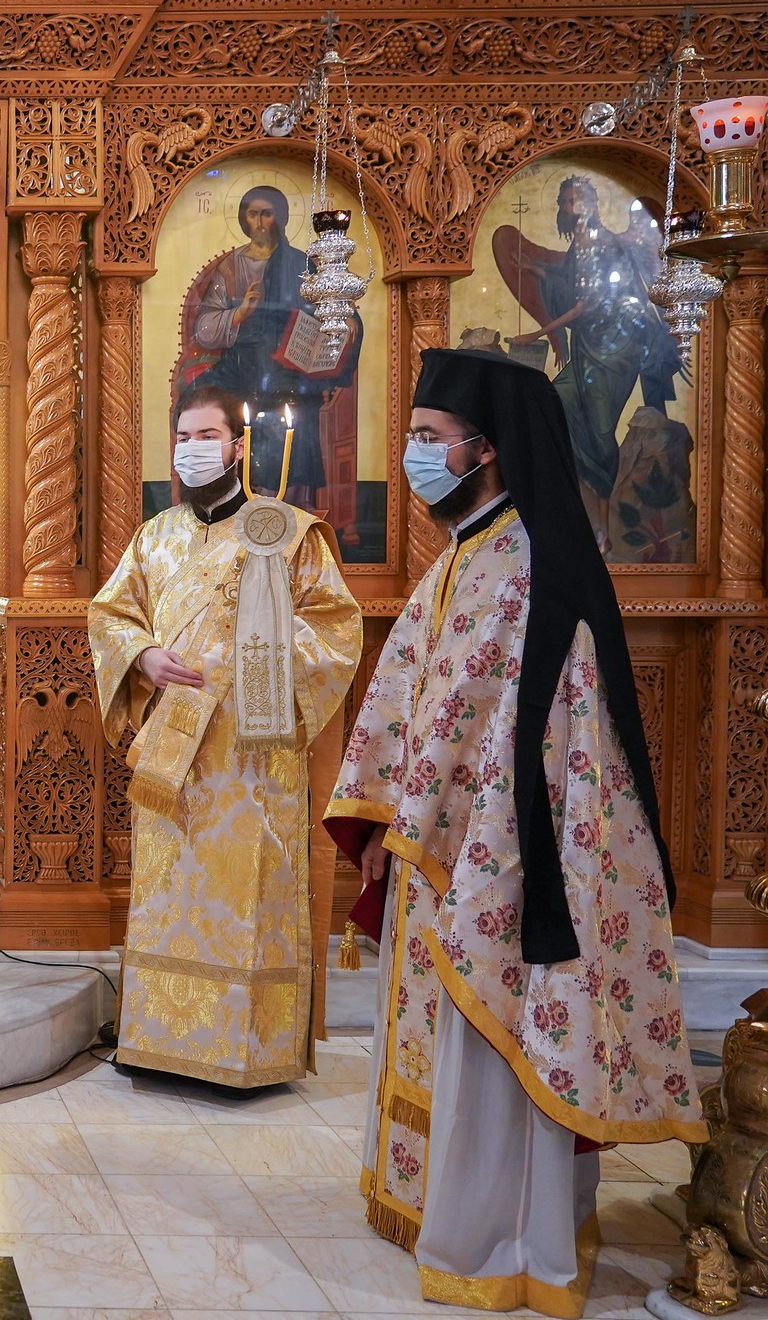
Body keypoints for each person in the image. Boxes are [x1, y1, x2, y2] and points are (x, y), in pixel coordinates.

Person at [327, 348, 704, 1315]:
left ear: (485, 449)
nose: (413, 455)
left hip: (506, 859)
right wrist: (388, 816)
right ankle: (439, 1204)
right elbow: (412, 695)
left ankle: (502, 1235)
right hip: (442, 852)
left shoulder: (531, 565)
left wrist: (457, 832)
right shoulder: (465, 554)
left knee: (496, 1044)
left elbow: (541, 732)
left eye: (429, 438)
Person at [87, 384, 362, 1093]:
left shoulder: (289, 533)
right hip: (173, 751)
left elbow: (335, 631)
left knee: (246, 895)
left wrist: (257, 659)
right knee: (168, 890)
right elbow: (110, 614)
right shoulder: (156, 535)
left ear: (238, 446)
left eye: (206, 436)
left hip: (251, 758)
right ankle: (157, 1040)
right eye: (183, 437)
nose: (191, 449)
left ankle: (246, 1055)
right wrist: (143, 656)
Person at [500, 175, 682, 551]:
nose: (571, 207)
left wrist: (536, 335)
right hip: (588, 343)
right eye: (566, 201)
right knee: (557, 400)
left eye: (577, 200)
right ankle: (580, 512)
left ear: (592, 204)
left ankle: (603, 527)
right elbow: (572, 283)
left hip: (615, 348)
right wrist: (536, 270)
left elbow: (585, 304)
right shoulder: (580, 244)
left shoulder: (603, 243)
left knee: (600, 430)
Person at [183, 185, 361, 499]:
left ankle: (289, 505)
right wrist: (240, 313)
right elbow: (205, 329)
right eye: (252, 214)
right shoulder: (231, 268)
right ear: (243, 220)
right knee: (195, 398)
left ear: (281, 218)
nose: (260, 222)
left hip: (291, 371)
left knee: (292, 420)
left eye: (266, 214)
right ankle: (221, 494)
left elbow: (340, 314)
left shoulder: (303, 265)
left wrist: (344, 326)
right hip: (242, 367)